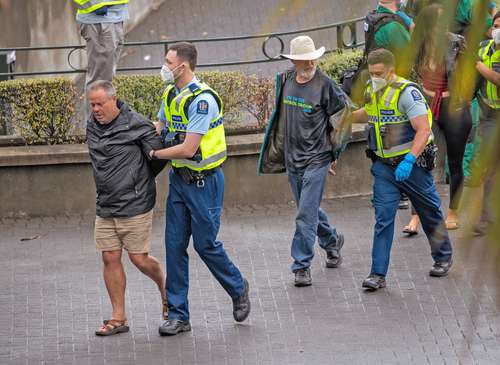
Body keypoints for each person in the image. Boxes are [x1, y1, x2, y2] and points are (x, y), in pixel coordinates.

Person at [150, 42, 250, 336]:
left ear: (184, 66)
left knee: (205, 245)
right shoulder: (171, 93)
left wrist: (154, 156)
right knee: (174, 247)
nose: (165, 67)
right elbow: (160, 125)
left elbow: (188, 147)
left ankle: (238, 286)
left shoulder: (202, 101)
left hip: (205, 183)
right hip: (180, 183)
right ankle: (179, 316)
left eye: (169, 62)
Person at [349, 49, 453, 290]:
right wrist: (349, 117)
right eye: (371, 73)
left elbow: (423, 129)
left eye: (379, 73)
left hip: (412, 167)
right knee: (383, 218)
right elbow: (370, 113)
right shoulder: (371, 90)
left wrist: (409, 160)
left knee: (429, 213)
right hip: (384, 168)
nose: (375, 77)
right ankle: (377, 274)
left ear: (391, 70)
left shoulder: (408, 93)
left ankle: (443, 256)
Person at [258, 35, 347, 287]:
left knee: (305, 215)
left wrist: (334, 154)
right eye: (303, 60)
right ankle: (332, 241)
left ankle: (301, 265)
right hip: (292, 158)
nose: (309, 64)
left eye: (311, 59)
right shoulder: (285, 80)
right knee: (308, 211)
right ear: (295, 61)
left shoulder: (325, 85)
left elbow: (342, 118)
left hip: (317, 159)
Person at [86, 80, 168, 336]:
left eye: (100, 104)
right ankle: (118, 318)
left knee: (139, 259)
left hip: (135, 204)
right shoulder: (92, 125)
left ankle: (166, 292)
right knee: (109, 256)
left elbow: (158, 158)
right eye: (92, 104)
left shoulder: (137, 124)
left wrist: (138, 183)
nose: (95, 109)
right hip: (105, 204)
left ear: (114, 100)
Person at [403, 4, 472, 235]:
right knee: (421, 160)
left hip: (453, 108)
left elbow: (472, 71)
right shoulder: (419, 46)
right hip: (427, 108)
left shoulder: (456, 42)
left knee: (454, 163)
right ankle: (416, 215)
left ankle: (453, 212)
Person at [472, 11, 500, 236]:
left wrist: (478, 66)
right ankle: (486, 218)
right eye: (496, 25)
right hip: (490, 116)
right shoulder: (482, 49)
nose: (498, 30)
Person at [73, 0, 128, 88]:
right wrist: (95, 4)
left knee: (106, 80)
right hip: (100, 18)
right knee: (100, 81)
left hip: (114, 15)